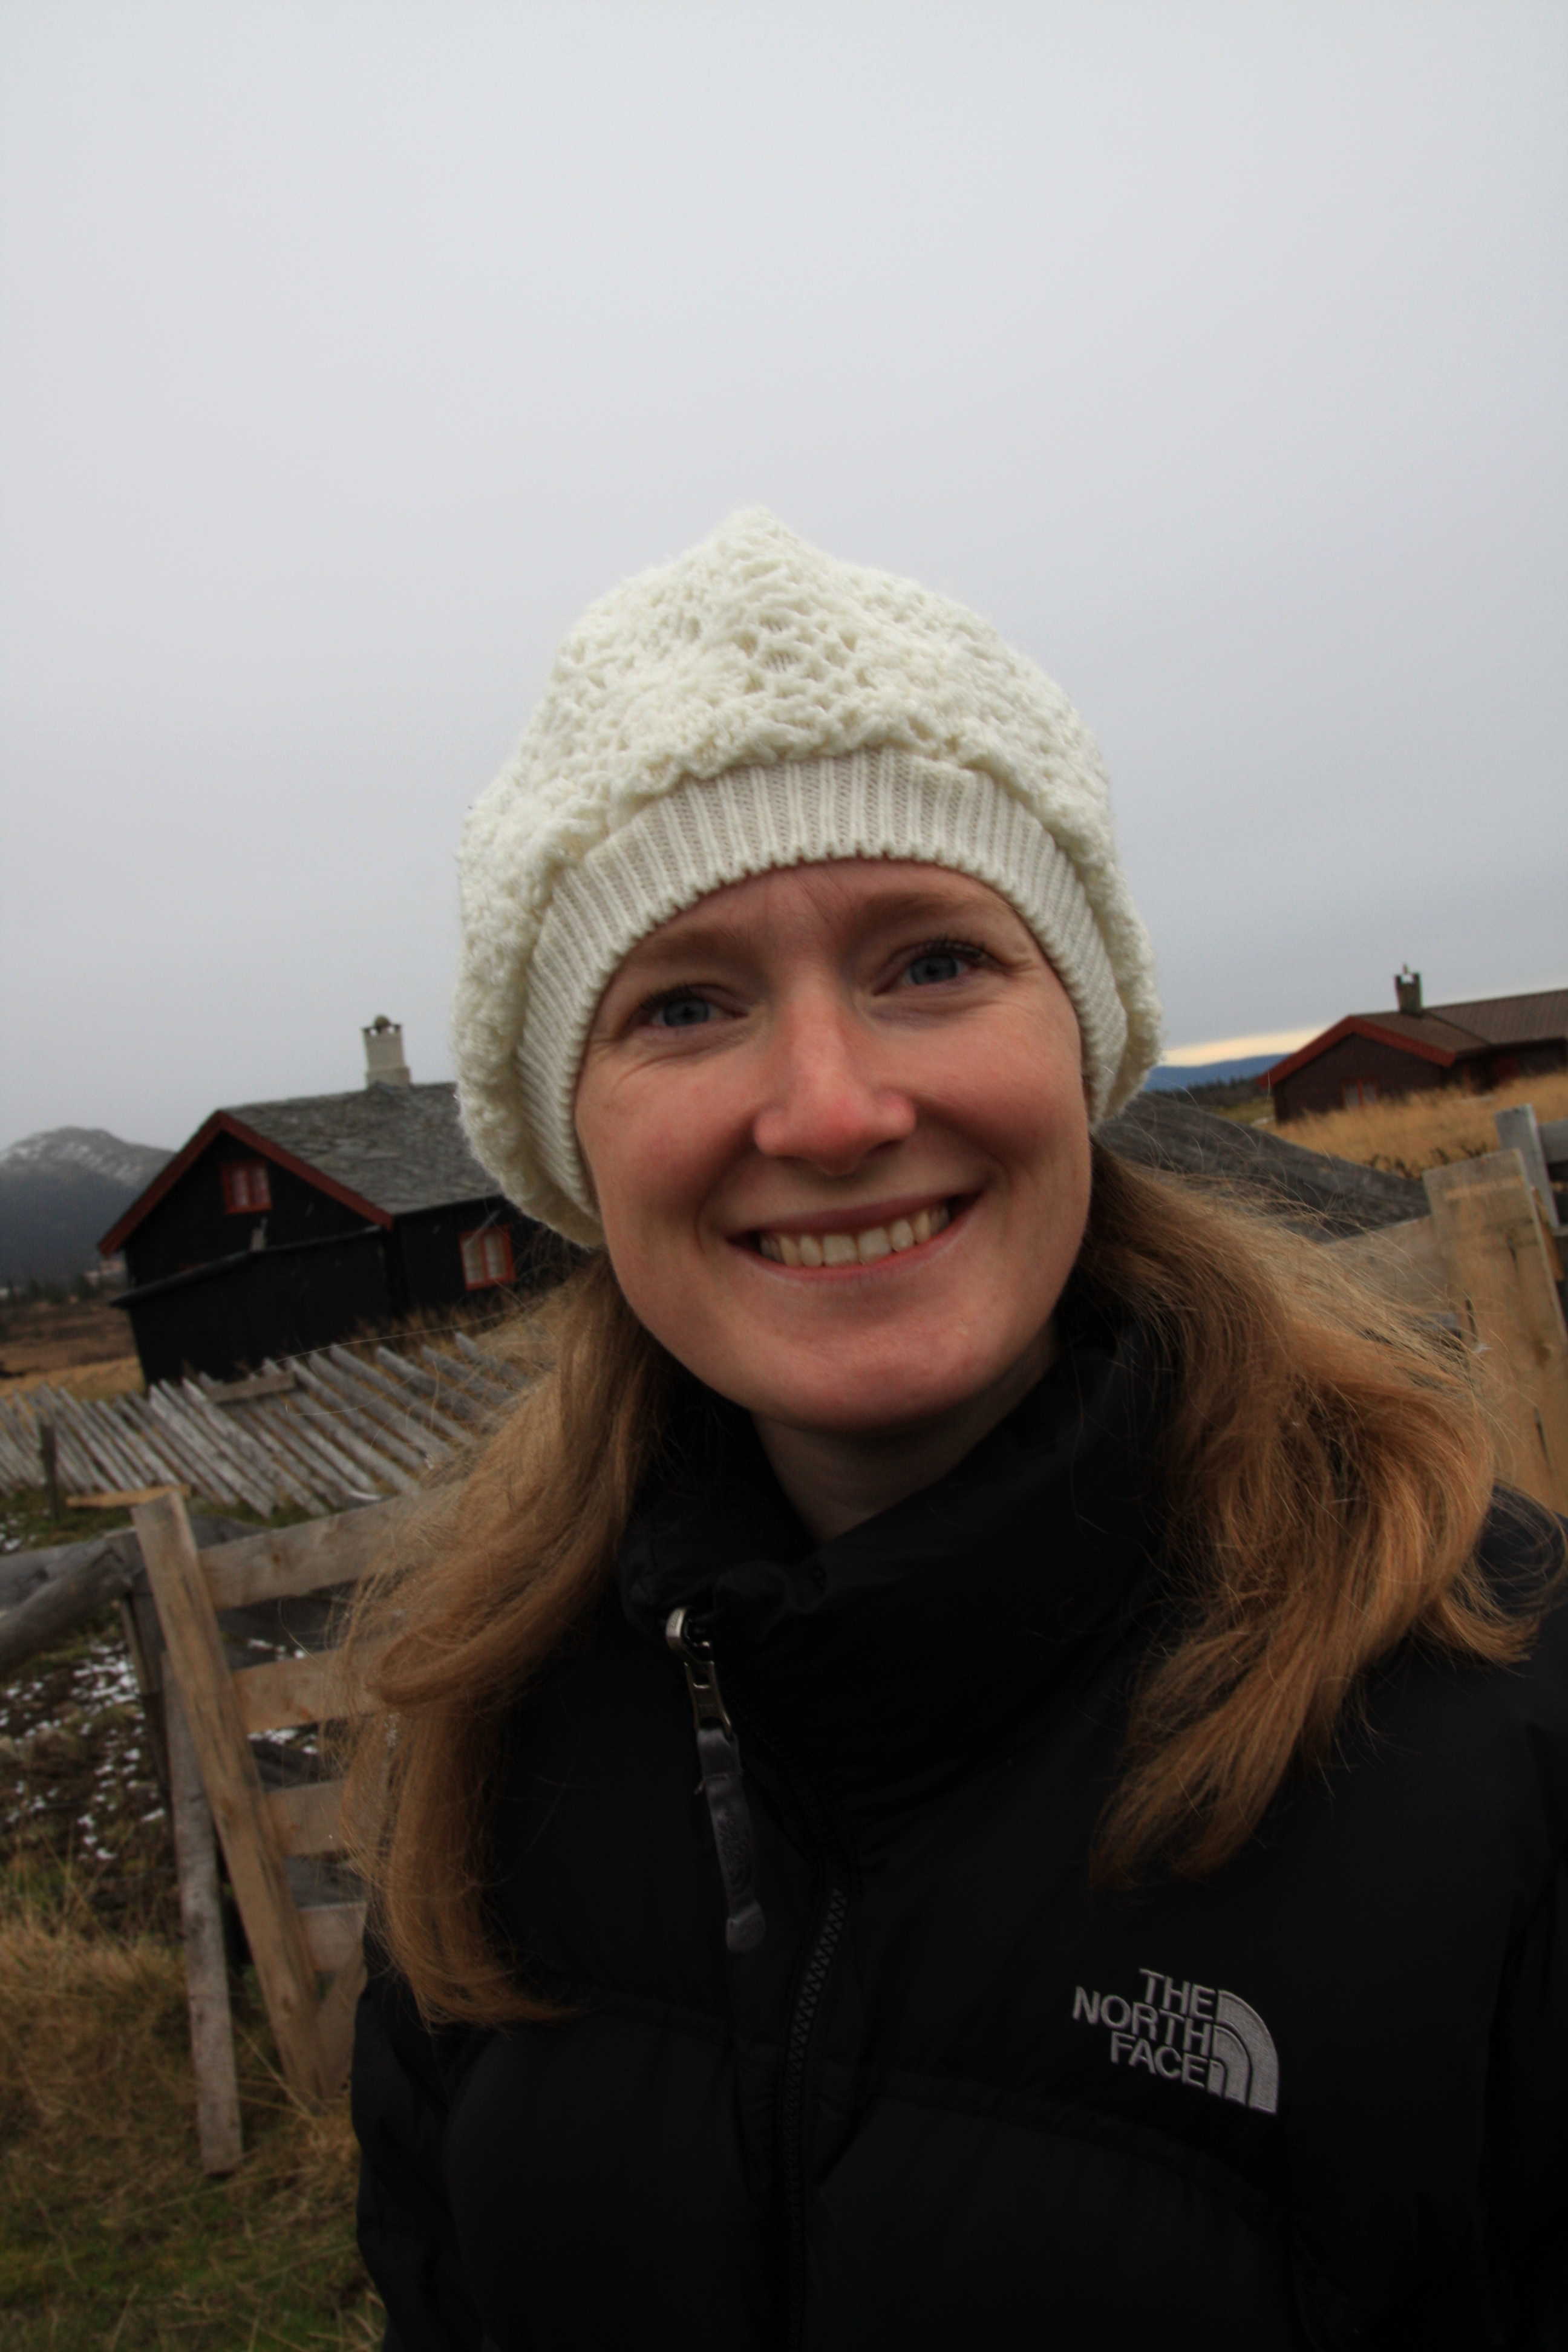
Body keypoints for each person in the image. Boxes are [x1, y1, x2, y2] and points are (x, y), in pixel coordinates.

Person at [347, 511, 1568, 2351]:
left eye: (930, 962)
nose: (831, 1112)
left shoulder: (1498, 1727)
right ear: (568, 1142)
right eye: (686, 1004)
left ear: (1082, 1038)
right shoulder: (486, 1737)